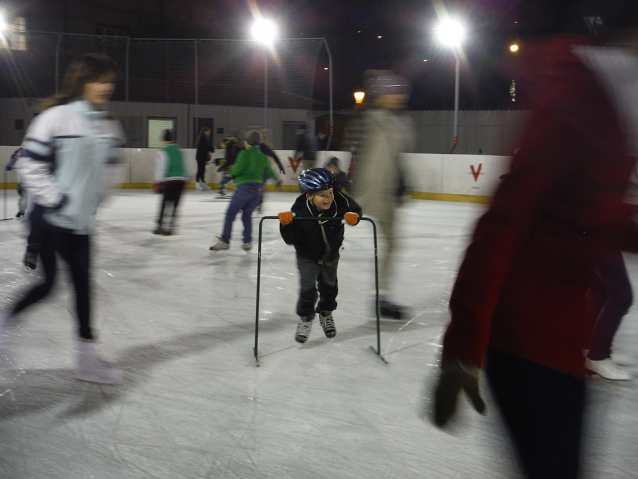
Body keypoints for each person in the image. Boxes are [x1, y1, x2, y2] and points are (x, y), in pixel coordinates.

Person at [432, 7, 638, 477]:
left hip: (560, 336)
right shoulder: (580, 100)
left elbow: (589, 213)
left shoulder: (616, 99)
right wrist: (463, 347)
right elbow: (503, 221)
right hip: (526, 342)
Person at [0, 53, 126, 384]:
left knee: (84, 288)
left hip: (81, 224)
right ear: (83, 81)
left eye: (110, 80)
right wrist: (58, 198)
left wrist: (98, 196)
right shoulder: (55, 118)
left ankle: (87, 361)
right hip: (48, 219)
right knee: (48, 285)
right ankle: (5, 321)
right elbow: (30, 164)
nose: (107, 86)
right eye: (100, 80)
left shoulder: (107, 124)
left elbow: (110, 167)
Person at [350, 70, 414, 320]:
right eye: (394, 92)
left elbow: (396, 156)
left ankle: (382, 297)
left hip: (386, 194)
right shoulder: (371, 120)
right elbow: (359, 154)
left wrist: (402, 181)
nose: (400, 97)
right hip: (366, 193)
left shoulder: (398, 121)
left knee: (393, 244)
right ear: (382, 96)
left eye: (401, 92)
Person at [278, 168, 362, 343]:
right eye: (322, 195)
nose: (329, 198)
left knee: (329, 287)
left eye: (330, 193)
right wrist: (285, 225)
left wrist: (355, 217)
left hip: (331, 254)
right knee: (307, 290)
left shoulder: (340, 200)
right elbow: (289, 239)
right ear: (309, 196)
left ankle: (325, 313)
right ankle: (306, 319)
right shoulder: (300, 208)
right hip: (306, 255)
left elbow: (356, 209)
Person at [209, 130, 279, 252]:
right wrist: (277, 181)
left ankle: (225, 241)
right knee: (247, 215)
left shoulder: (244, 154)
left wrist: (231, 172)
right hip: (257, 192)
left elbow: (237, 170)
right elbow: (270, 172)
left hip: (243, 190)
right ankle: (247, 242)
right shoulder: (263, 156)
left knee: (230, 214)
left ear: (247, 142)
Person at [584, 249, 633, 380]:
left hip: (589, 234)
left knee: (600, 288)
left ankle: (589, 346)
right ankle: (598, 356)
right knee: (621, 295)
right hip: (599, 236)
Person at [153, 129, 187, 236]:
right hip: (181, 180)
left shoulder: (163, 151)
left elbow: (162, 167)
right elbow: (186, 166)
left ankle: (160, 226)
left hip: (170, 180)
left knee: (165, 203)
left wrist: (158, 181)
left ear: (164, 140)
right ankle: (171, 227)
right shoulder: (180, 151)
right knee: (175, 205)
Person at [256, 140, 286, 212]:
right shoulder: (263, 149)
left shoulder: (258, 148)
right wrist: (280, 166)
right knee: (259, 187)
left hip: (261, 172)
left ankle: (258, 203)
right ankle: (258, 203)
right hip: (262, 172)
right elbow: (273, 155)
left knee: (259, 187)